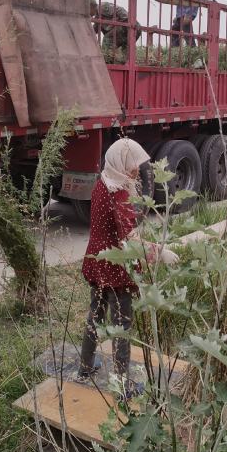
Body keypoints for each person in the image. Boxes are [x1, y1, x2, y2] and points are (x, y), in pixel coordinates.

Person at [77, 138, 177, 398]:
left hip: (95, 261)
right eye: (131, 166)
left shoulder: (102, 183)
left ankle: (85, 366)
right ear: (120, 164)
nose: (135, 170)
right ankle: (121, 384)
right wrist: (160, 252)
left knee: (95, 316)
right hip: (115, 268)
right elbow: (129, 239)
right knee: (121, 325)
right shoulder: (118, 193)